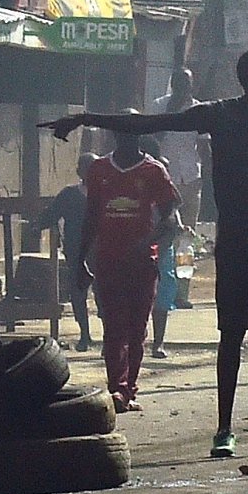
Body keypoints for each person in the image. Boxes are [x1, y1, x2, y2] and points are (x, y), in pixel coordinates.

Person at [44, 49, 248, 459]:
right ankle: (224, 429)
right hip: (237, 240)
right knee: (231, 336)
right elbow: (147, 123)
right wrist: (84, 119)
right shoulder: (220, 114)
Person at [80, 126, 179, 412]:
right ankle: (117, 388)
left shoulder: (154, 171)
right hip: (108, 261)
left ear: (139, 137)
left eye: (131, 133)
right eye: (121, 133)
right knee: (113, 328)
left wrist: (146, 242)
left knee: (136, 329)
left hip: (142, 263)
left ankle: (129, 388)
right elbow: (91, 215)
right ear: (114, 136)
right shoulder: (99, 169)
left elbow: (170, 215)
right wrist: (80, 261)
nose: (126, 138)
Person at [150, 69, 204, 360]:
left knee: (186, 242)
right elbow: (152, 139)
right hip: (161, 183)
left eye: (188, 83)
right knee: (159, 242)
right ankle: (157, 291)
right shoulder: (160, 106)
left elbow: (204, 145)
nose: (184, 87)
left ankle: (182, 292)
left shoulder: (199, 110)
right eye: (180, 83)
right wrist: (169, 114)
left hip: (189, 180)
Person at [30, 155, 96, 351]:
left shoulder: (107, 194)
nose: (89, 172)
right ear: (79, 172)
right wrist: (36, 227)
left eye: (93, 167)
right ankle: (85, 335)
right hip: (76, 250)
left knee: (104, 294)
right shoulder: (69, 195)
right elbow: (52, 214)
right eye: (85, 168)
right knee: (78, 293)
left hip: (103, 249)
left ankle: (109, 337)